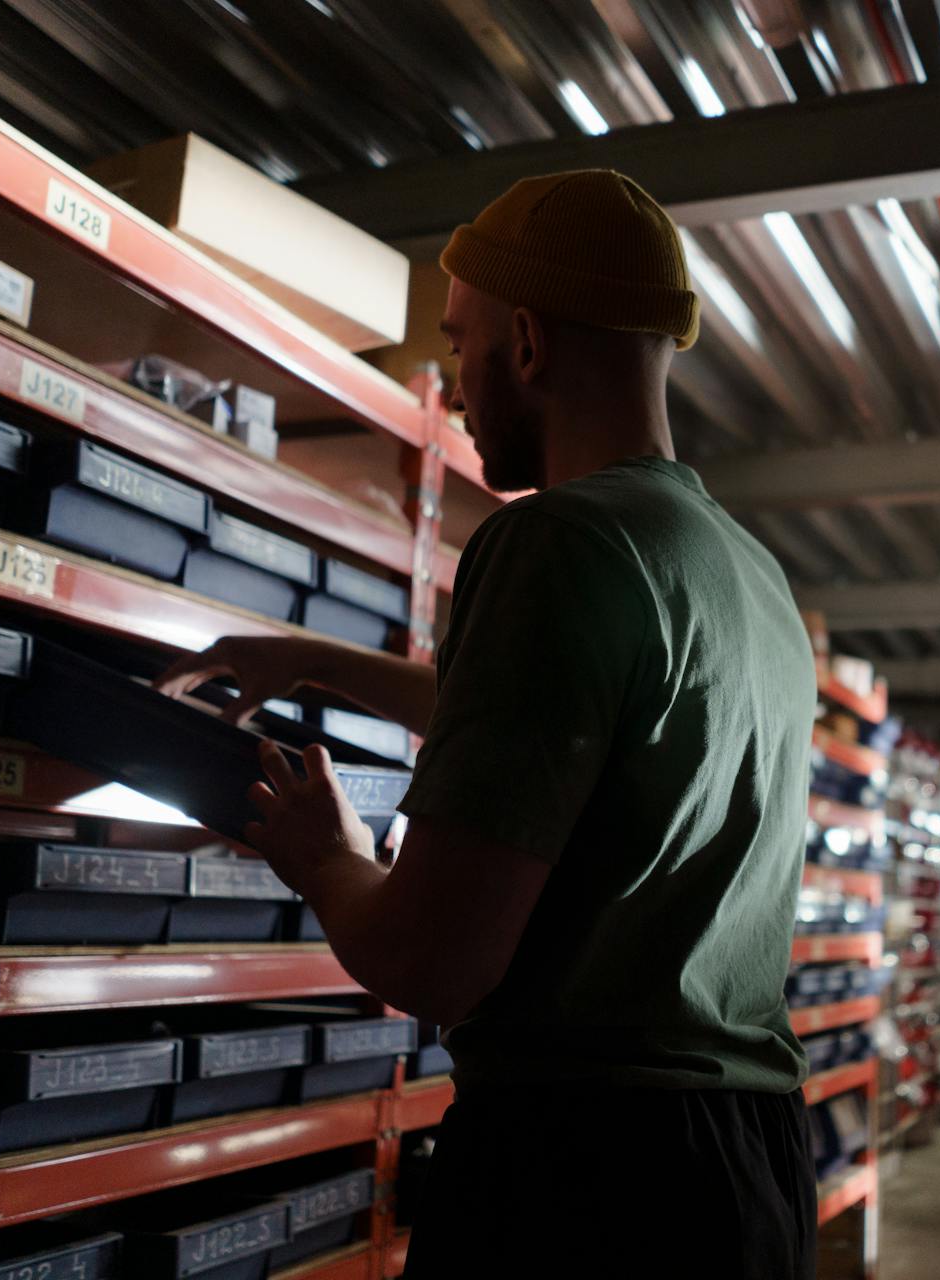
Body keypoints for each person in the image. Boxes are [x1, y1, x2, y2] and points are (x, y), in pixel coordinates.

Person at [155, 170, 818, 1277]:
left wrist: (328, 858)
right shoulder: (744, 575)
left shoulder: (555, 542)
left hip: (591, 1179)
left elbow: (432, 957)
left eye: (459, 345)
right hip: (746, 1169)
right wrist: (315, 659)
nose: (455, 387)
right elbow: (580, 723)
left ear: (526, 343)